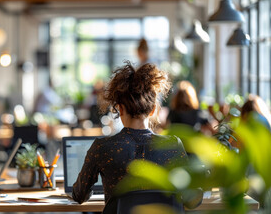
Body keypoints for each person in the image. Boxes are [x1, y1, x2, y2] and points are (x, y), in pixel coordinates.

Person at [72, 62, 188, 204]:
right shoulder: (172, 146)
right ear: (152, 110)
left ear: (120, 109)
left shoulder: (102, 148)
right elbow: (192, 199)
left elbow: (79, 195)